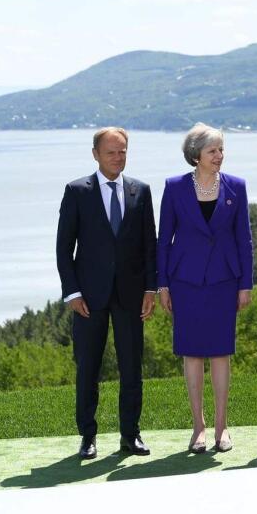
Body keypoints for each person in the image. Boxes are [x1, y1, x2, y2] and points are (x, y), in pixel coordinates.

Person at [55, 127, 157, 459]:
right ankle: (87, 436)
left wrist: (150, 289)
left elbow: (149, 246)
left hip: (130, 295)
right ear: (96, 154)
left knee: (132, 368)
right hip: (89, 297)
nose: (118, 157)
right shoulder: (76, 191)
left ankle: (131, 434)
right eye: (111, 152)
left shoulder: (141, 191)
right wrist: (72, 293)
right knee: (88, 369)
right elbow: (63, 248)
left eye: (123, 151)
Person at [156, 123, 254, 453]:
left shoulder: (237, 187)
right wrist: (163, 284)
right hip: (185, 282)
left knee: (221, 353)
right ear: (196, 155)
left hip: (225, 282)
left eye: (221, 150)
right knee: (192, 353)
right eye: (213, 151)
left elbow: (245, 240)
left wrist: (246, 284)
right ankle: (199, 427)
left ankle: (222, 428)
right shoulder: (174, 187)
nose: (219, 156)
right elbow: (163, 240)